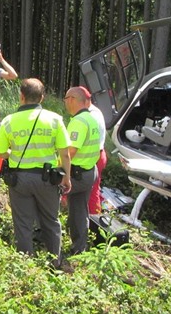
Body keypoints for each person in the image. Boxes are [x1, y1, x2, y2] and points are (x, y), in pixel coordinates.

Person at [0, 78, 71, 266]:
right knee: (51, 221)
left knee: (23, 223)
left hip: (19, 180)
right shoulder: (55, 120)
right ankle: (55, 263)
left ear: (21, 96)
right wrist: (66, 177)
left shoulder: (9, 121)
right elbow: (65, 154)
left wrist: (12, 152)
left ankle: (25, 266)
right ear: (42, 97)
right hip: (48, 180)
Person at [63, 86, 101, 254]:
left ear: (71, 99)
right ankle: (79, 248)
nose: (65, 103)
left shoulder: (78, 122)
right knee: (78, 211)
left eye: (65, 99)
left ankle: (45, 240)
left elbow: (70, 151)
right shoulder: (92, 118)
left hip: (77, 174)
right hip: (89, 172)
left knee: (46, 197)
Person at [87, 100, 107, 215]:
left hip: (93, 156)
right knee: (94, 189)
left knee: (92, 191)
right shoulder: (96, 112)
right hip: (99, 154)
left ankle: (94, 221)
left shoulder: (89, 116)